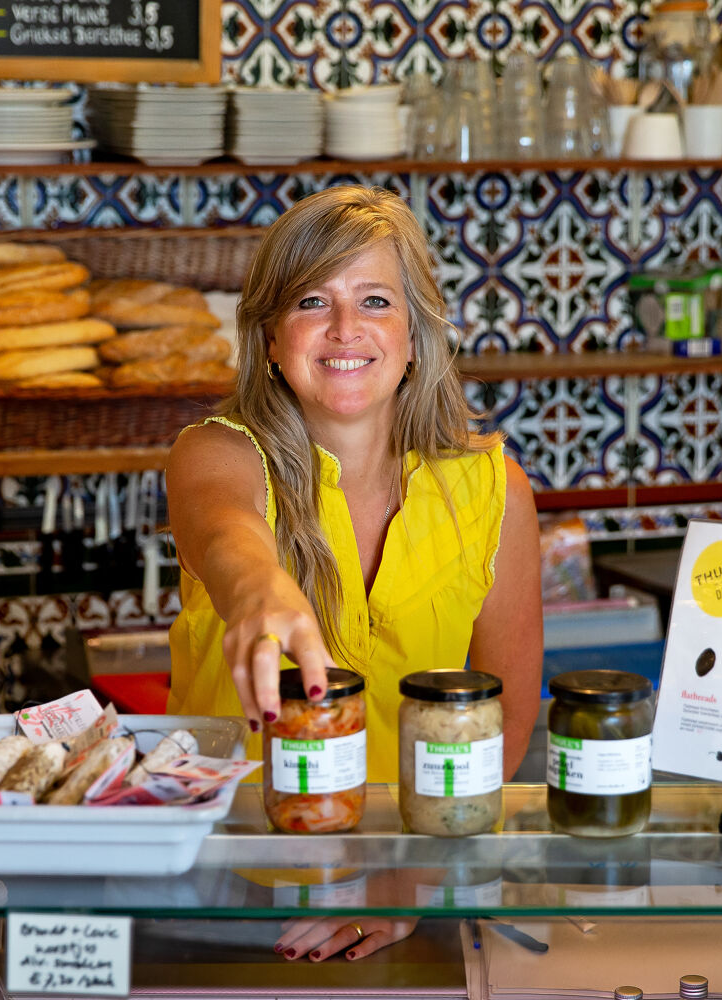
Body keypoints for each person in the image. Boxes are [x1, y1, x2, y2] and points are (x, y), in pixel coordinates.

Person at [165, 185, 542, 959]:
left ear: (414, 335)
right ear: (271, 337)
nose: (345, 329)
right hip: (225, 885)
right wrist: (258, 590)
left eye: (375, 300)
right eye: (312, 301)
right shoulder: (217, 452)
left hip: (414, 886)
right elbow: (227, 530)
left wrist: (413, 880)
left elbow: (502, 721)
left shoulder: (493, 491)